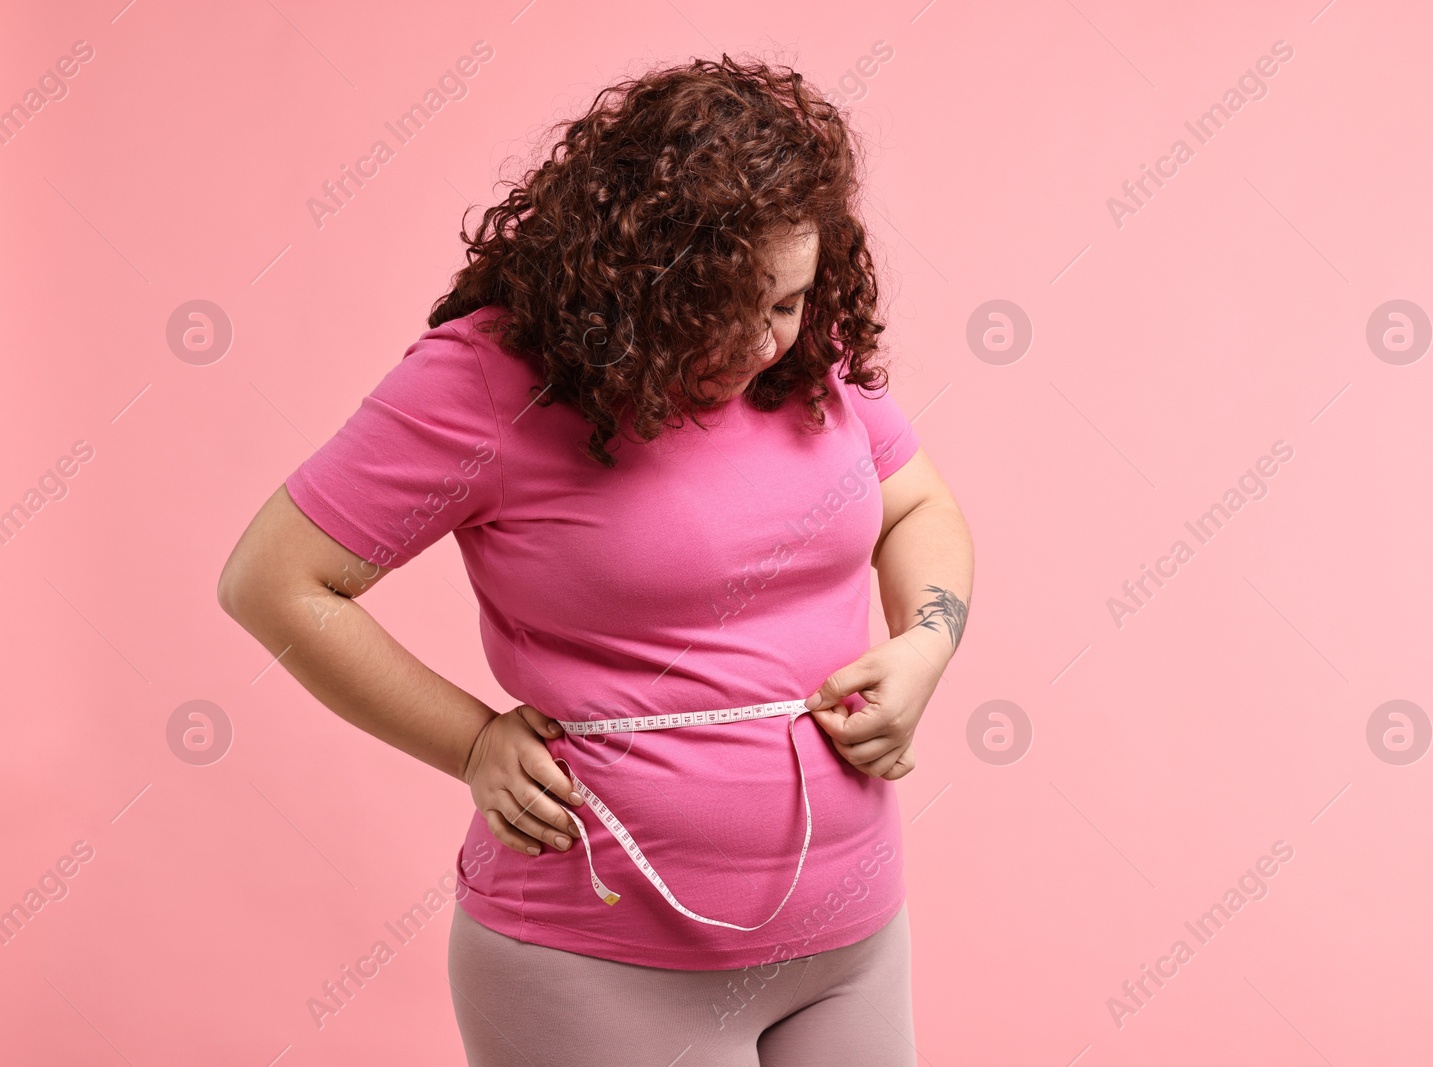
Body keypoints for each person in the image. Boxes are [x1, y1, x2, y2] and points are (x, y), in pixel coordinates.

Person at [217, 53, 973, 1066]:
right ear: (635, 277)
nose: (761, 340)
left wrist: (927, 641)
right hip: (598, 961)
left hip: (850, 944)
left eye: (787, 300)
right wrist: (473, 742)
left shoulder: (807, 358)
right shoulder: (487, 380)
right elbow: (272, 578)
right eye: (727, 304)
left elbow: (915, 503)